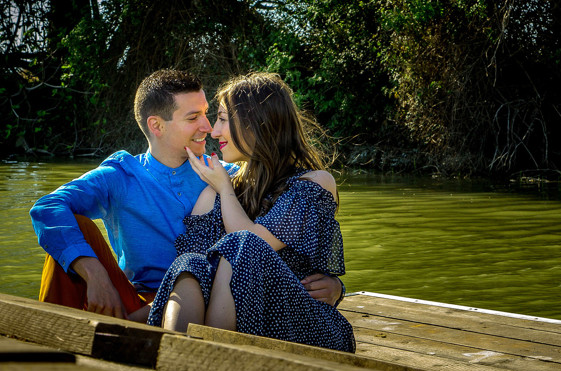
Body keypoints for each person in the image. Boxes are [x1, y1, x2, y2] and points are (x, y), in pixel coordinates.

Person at [30, 68, 344, 321]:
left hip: (208, 300)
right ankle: (49, 344)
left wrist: (333, 284)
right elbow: (47, 207)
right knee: (75, 229)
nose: (207, 127)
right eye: (193, 118)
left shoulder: (228, 177)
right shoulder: (120, 176)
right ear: (157, 126)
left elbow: (280, 243)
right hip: (135, 299)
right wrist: (94, 272)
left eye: (209, 114)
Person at [146, 72, 355, 352]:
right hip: (242, 330)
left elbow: (253, 242)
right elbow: (184, 273)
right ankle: (177, 354)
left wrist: (225, 188)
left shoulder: (314, 183)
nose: (214, 132)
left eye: (222, 119)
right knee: (191, 263)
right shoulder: (217, 192)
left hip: (302, 329)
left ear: (256, 123)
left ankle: (212, 358)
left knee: (242, 244)